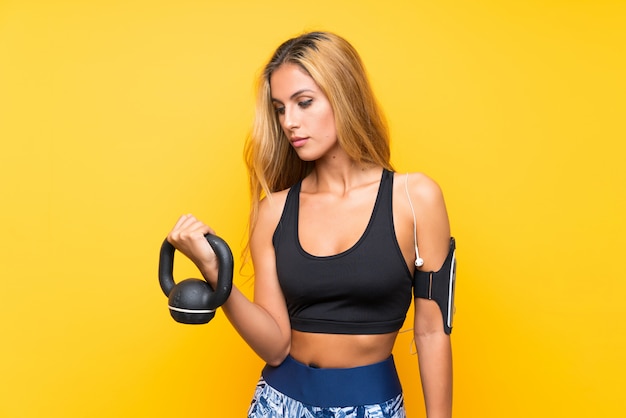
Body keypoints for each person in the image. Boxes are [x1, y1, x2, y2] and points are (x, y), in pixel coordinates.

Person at [167, 31, 453, 418]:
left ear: (345, 96)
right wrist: (216, 272)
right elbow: (275, 346)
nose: (289, 122)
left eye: (304, 103)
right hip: (277, 404)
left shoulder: (416, 200)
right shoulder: (272, 213)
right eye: (280, 108)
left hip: (371, 406)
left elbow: (432, 331)